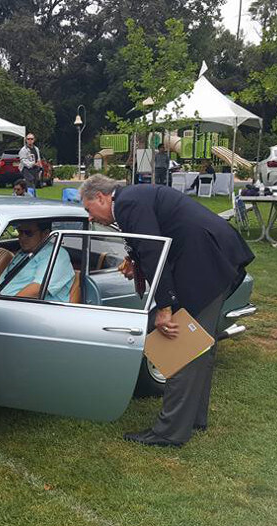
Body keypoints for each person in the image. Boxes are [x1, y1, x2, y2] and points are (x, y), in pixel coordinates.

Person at [80, 175, 254, 447]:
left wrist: (165, 307)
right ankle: (193, 418)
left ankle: (169, 432)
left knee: (181, 348)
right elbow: (156, 238)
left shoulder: (126, 204)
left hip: (205, 264)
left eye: (88, 209)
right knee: (199, 347)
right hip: (212, 259)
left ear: (101, 198)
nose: (90, 217)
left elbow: (152, 250)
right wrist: (132, 260)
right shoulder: (131, 198)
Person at [0, 220, 74, 300]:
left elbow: (37, 290)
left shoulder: (56, 253)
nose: (22, 237)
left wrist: (6, 303)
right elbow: (2, 281)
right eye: (20, 232)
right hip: (5, 301)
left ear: (45, 234)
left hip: (29, 307)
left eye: (28, 233)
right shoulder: (23, 252)